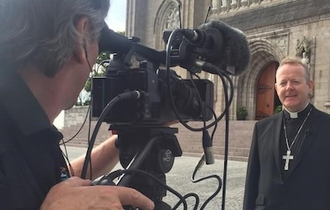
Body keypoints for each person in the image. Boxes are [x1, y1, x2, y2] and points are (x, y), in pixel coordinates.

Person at [0, 1, 154, 210]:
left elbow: (46, 182)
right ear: (81, 35)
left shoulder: (25, 123)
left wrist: (124, 141)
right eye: (99, 43)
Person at [243, 56, 330, 210]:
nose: (289, 87)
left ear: (310, 86)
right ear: (276, 89)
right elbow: (252, 182)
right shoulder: (262, 128)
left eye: (295, 81)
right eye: (283, 83)